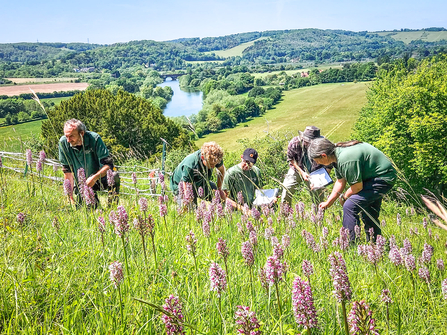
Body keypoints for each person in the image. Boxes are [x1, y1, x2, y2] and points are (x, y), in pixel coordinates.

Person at [308, 138, 397, 241]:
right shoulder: (336, 155)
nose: (319, 163)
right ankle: (376, 244)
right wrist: (328, 202)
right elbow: (340, 181)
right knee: (368, 212)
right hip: (372, 177)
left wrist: (344, 197)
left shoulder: (345, 159)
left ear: (324, 155)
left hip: (383, 177)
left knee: (349, 206)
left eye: (317, 161)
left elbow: (357, 187)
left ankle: (350, 244)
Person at [59, 119, 120, 205]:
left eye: (71, 136)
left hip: (98, 178)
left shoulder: (94, 139)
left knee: (114, 176)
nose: (68, 140)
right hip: (81, 183)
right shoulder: (63, 143)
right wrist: (71, 198)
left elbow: (108, 165)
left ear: (82, 133)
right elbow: (67, 171)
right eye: (66, 136)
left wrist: (94, 178)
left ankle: (112, 206)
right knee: (90, 209)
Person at [281, 126, 329, 205]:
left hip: (315, 172)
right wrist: (302, 172)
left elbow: (328, 163)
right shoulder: (294, 143)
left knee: (317, 195)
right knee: (287, 188)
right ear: (303, 138)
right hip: (296, 169)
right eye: (308, 141)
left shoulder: (321, 146)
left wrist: (322, 179)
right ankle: (284, 213)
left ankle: (319, 215)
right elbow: (291, 159)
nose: (310, 144)